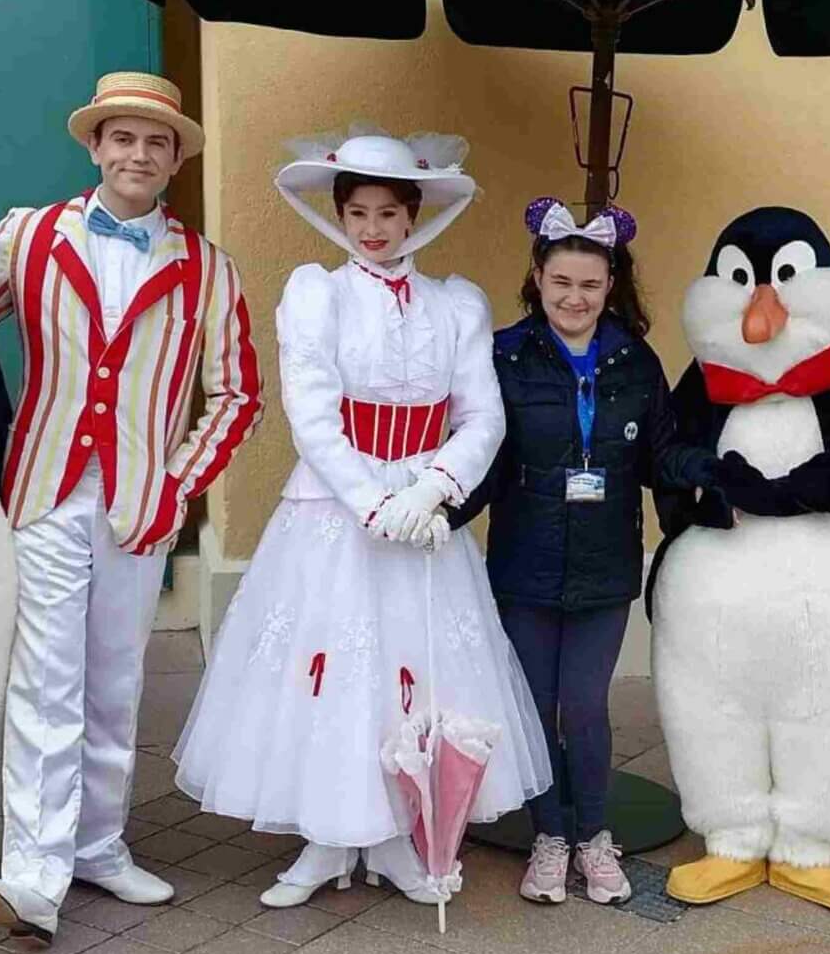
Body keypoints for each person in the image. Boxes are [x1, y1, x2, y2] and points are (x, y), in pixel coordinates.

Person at [173, 130, 552, 909]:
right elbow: (311, 414)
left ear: (413, 215)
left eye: (387, 213)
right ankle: (328, 838)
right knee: (335, 672)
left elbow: (482, 415)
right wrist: (373, 502)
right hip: (335, 508)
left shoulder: (457, 304)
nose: (373, 229)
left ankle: (393, 838)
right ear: (340, 216)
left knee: (411, 669)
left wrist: (432, 489)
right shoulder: (319, 294)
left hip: (421, 511)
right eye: (358, 213)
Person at [0, 72, 263, 944]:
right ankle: (34, 872)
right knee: (45, 677)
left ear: (175, 161)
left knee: (114, 680)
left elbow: (239, 394)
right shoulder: (27, 237)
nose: (138, 154)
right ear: (95, 147)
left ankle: (97, 845)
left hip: (138, 502)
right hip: (45, 489)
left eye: (156, 142)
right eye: (123, 138)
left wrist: (177, 482)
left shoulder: (208, 268)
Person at [448, 198, 716, 905]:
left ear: (610, 286)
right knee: (536, 707)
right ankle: (549, 839)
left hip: (605, 567)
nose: (575, 297)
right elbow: (484, 459)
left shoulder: (634, 360)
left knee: (586, 706)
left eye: (591, 285)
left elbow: (662, 456)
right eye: (562, 281)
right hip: (525, 565)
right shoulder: (505, 357)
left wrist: (718, 479)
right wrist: (437, 514)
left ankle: (594, 837)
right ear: (537, 277)